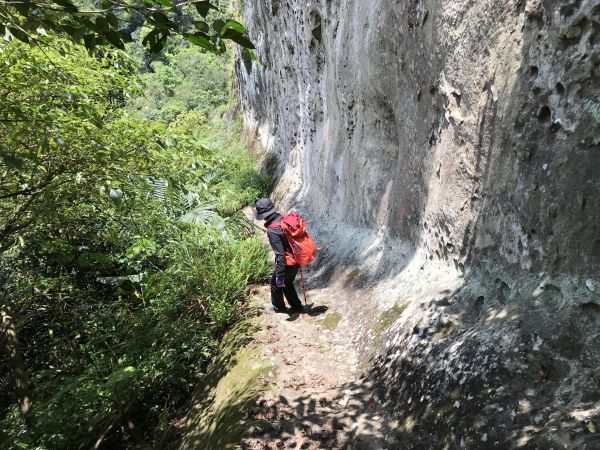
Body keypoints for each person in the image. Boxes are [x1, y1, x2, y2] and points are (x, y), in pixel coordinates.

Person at [255, 198, 304, 314]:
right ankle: (297, 307)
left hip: (287, 263)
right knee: (287, 283)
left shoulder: (272, 230)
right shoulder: (282, 219)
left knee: (275, 284)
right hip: (296, 259)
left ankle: (279, 308)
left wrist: (279, 275)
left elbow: (280, 256)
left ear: (263, 215)